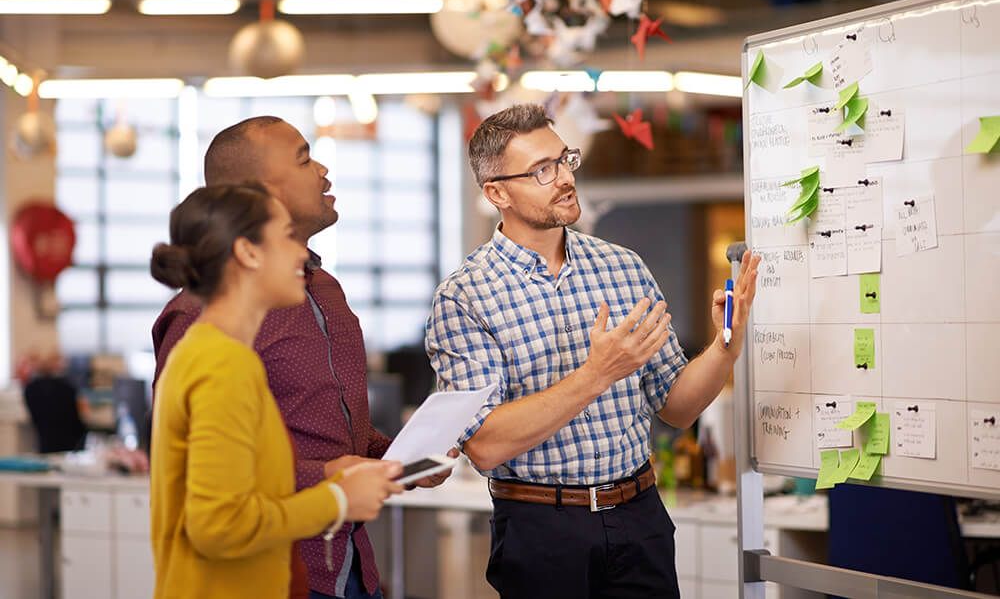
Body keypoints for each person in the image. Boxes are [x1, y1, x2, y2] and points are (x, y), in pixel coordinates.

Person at [425, 104, 761, 599]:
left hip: (639, 514)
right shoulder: (465, 297)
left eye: (565, 160)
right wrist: (597, 374)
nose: (564, 178)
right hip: (541, 529)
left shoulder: (622, 267)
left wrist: (726, 346)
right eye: (543, 170)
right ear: (497, 193)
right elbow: (486, 444)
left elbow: (678, 406)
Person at [152, 117, 452, 599]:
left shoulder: (316, 296)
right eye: (285, 241)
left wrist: (391, 460)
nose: (301, 257)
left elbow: (306, 445)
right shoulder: (209, 348)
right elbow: (215, 517)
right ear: (249, 244)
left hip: (345, 563)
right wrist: (335, 489)